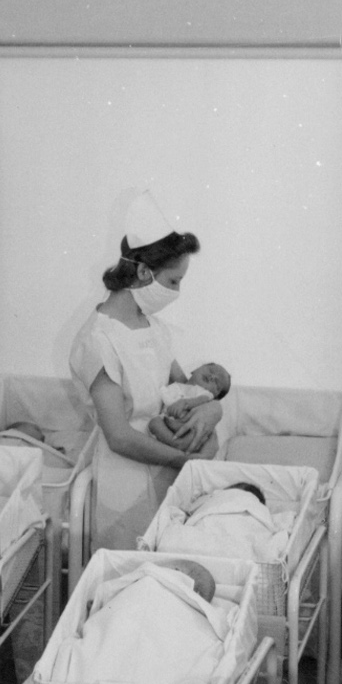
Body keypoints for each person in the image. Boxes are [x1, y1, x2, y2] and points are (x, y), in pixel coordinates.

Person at [68, 227, 224, 550]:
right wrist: (183, 460)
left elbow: (185, 388)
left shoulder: (154, 328)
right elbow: (119, 435)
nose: (177, 292)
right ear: (142, 271)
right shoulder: (97, 341)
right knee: (131, 580)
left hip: (169, 471)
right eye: (173, 281)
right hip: (126, 482)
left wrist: (213, 408)